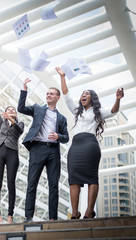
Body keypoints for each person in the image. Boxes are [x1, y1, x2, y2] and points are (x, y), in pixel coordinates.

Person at [55, 66, 124, 219]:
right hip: (76, 145)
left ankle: (89, 210)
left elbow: (114, 111)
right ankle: (75, 212)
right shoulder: (76, 111)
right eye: (82, 94)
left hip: (90, 145)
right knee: (73, 177)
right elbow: (66, 95)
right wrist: (62, 77)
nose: (83, 96)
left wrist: (117, 99)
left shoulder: (98, 112)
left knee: (92, 176)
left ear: (92, 98)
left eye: (87, 94)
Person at [17, 78, 69, 222]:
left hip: (53, 151)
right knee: (32, 183)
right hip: (37, 149)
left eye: (52, 94)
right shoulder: (37, 109)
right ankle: (28, 217)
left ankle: (53, 218)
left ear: (58, 98)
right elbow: (21, 109)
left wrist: (58, 136)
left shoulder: (62, 118)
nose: (48, 95)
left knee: (54, 186)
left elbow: (66, 138)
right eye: (47, 93)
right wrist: (24, 90)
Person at [0, 82, 25, 224]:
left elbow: (19, 131)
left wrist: (10, 118)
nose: (10, 111)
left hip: (12, 153)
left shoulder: (19, 124)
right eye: (8, 109)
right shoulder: (1, 123)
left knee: (11, 184)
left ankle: (10, 215)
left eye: (13, 110)